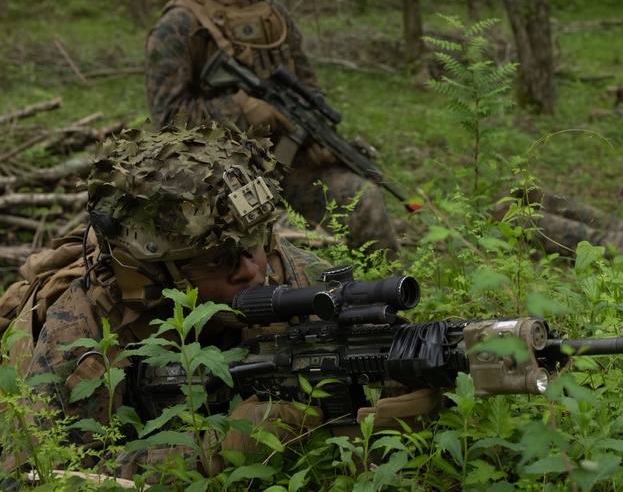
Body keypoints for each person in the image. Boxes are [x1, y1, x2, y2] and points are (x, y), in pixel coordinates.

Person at [8, 121, 439, 482]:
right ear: (155, 275)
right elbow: (32, 477)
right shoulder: (82, 329)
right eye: (217, 260)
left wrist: (398, 399)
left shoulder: (298, 276)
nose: (252, 269)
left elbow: (380, 355)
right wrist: (214, 451)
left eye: (257, 240)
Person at [144, 0, 401, 260]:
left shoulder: (273, 14)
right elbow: (168, 117)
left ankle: (389, 299)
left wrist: (314, 133)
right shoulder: (179, 26)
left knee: (364, 200)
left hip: (287, 163)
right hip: (218, 172)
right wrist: (242, 108)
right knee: (265, 238)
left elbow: (306, 82)